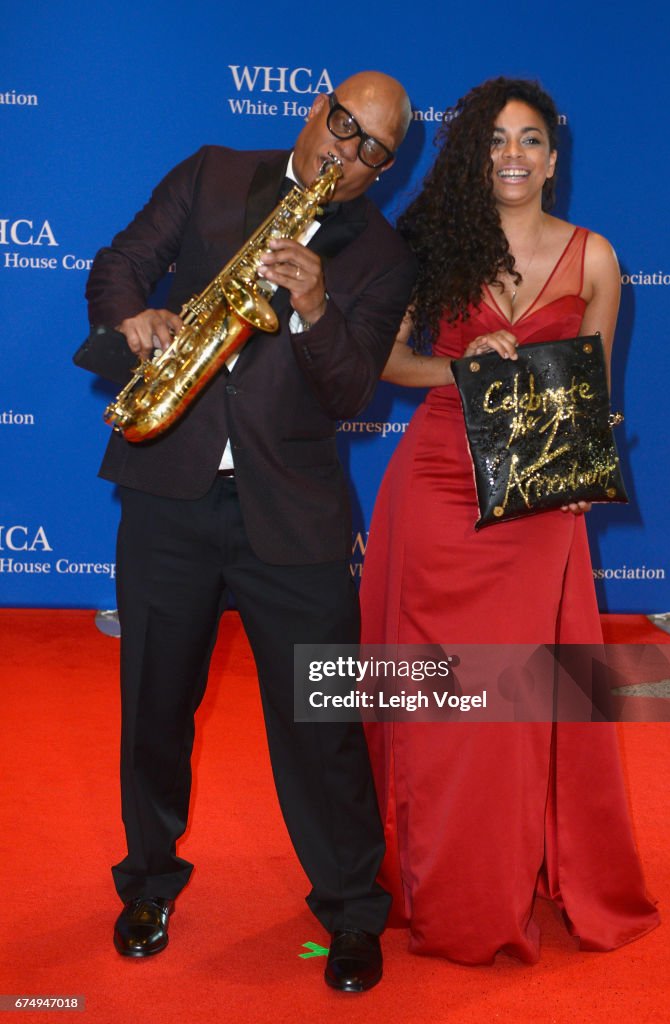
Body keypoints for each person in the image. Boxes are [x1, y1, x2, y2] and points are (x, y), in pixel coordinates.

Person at [84, 71, 416, 992]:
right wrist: (133, 315)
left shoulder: (386, 258)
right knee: (153, 705)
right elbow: (116, 264)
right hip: (169, 494)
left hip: (294, 517)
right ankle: (148, 881)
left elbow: (352, 392)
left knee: (324, 723)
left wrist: (315, 307)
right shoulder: (214, 172)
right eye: (342, 126)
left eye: (371, 151)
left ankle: (352, 910)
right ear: (315, 109)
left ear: (384, 171)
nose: (345, 153)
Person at [360, 77, 660, 965]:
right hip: (439, 490)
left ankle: (495, 881)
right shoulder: (435, 248)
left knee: (514, 708)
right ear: (474, 156)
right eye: (497, 140)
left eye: (531, 139)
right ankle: (425, 882)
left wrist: (580, 472)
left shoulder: (596, 259)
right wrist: (459, 367)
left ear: (554, 158)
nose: (515, 155)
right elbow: (383, 361)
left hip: (535, 506)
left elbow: (593, 390)